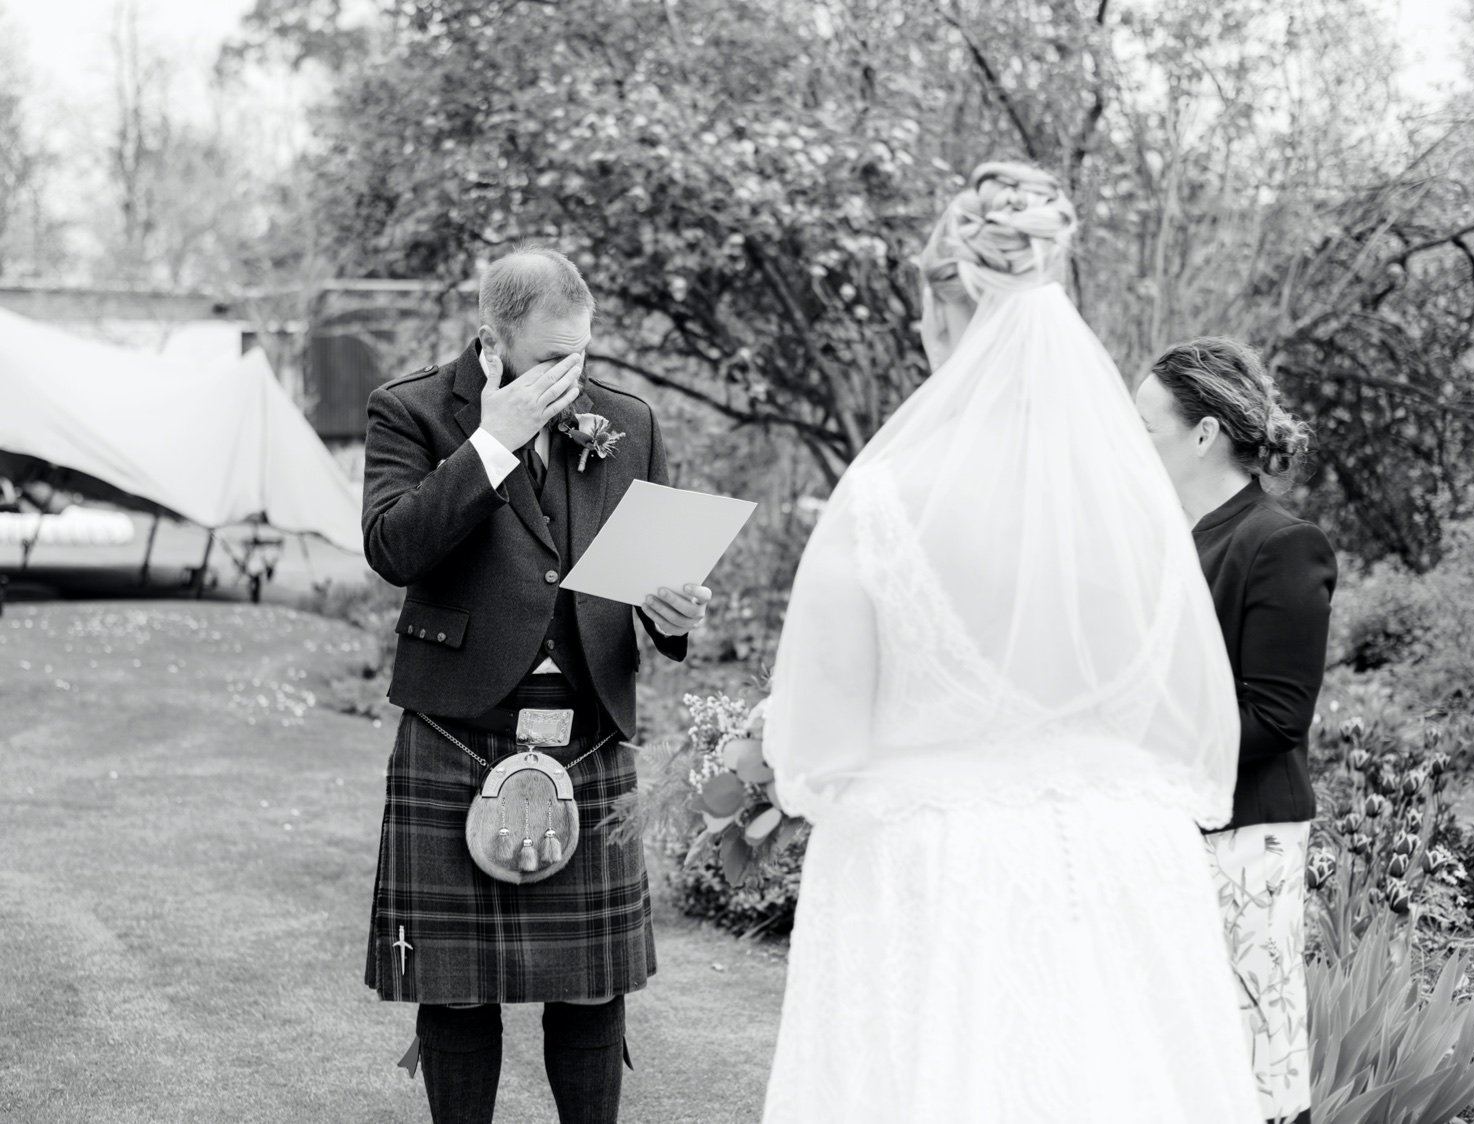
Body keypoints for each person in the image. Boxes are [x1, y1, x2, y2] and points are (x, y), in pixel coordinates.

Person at [759, 162, 1262, 1122]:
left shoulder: (883, 498)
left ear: (943, 312)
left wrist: (781, 761)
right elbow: (1169, 686)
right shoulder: (1132, 503)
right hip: (1120, 859)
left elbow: (818, 750)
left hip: (934, 879)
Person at [360, 246, 713, 1124]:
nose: (571, 376)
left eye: (582, 354)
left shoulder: (627, 421)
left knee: (591, 993)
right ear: (493, 339)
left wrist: (673, 612)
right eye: (551, 359)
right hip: (457, 727)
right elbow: (393, 549)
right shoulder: (410, 412)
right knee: (458, 994)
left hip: (587, 727)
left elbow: (654, 592)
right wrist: (492, 442)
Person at [1137, 338, 1337, 1124]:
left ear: (1205, 433)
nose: (1132, 446)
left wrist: (1141, 741)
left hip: (1246, 836)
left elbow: (1277, 717)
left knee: (1256, 1052)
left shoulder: (1279, 542)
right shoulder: (1175, 541)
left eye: (1145, 427)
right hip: (1171, 827)